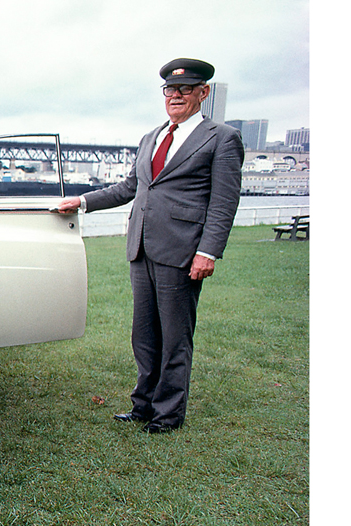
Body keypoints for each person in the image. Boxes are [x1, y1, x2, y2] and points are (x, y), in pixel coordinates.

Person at [57, 58, 243, 434]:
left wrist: (208, 252)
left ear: (203, 93)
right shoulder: (151, 137)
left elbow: (224, 202)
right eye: (170, 90)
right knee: (143, 334)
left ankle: (167, 414)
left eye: (185, 89)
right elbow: (130, 188)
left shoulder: (221, 137)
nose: (176, 95)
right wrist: (83, 202)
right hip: (141, 247)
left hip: (183, 251)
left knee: (175, 338)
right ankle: (142, 405)